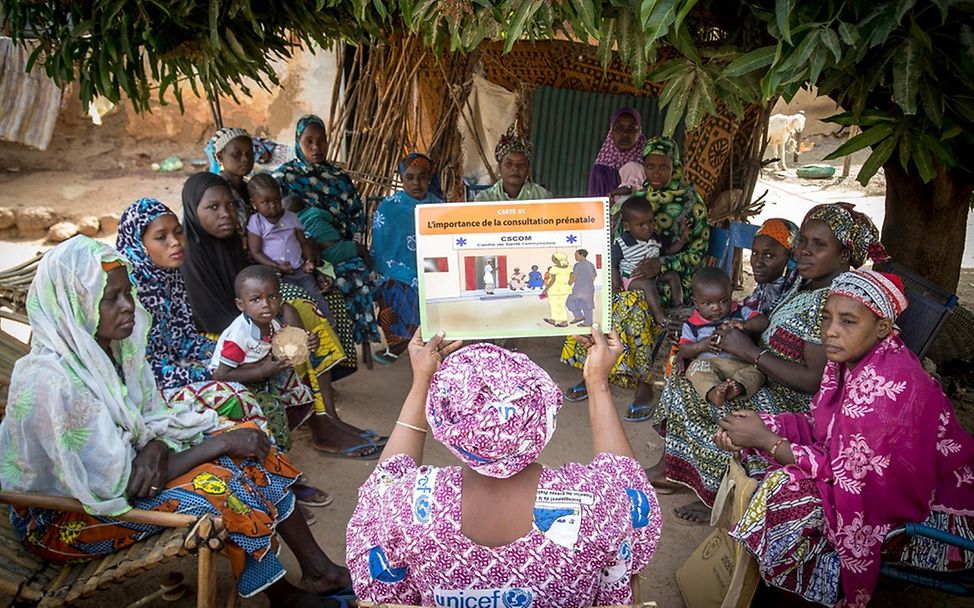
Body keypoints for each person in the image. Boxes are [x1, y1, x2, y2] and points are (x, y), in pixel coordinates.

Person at [0, 237, 352, 606]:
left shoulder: (108, 352)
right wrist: (215, 445)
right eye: (111, 298)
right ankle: (283, 597)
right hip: (64, 520)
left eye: (128, 294)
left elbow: (147, 422)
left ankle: (319, 571)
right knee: (222, 482)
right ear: (75, 304)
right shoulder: (52, 383)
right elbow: (122, 484)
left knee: (249, 440)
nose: (128, 308)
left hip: (120, 481)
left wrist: (156, 443)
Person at [346, 327, 662, 606]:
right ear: (546, 421)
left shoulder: (405, 505)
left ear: (445, 425)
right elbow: (626, 482)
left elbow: (385, 484)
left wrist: (421, 383)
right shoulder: (599, 503)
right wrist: (597, 382)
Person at [717, 270, 974, 607]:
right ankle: (771, 584)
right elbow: (824, 426)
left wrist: (768, 440)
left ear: (882, 328)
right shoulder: (852, 361)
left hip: (932, 514)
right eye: (827, 318)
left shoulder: (885, 388)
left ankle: (791, 594)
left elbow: (850, 479)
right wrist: (762, 425)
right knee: (755, 456)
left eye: (848, 321)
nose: (830, 331)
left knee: (787, 493)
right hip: (867, 479)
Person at [649, 202, 890, 524]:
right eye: (803, 241)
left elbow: (813, 381)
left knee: (702, 393)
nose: (804, 251)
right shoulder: (805, 284)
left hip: (791, 396)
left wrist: (750, 353)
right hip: (764, 371)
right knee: (688, 372)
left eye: (819, 245)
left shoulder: (831, 303)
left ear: (844, 256)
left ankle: (717, 493)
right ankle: (674, 469)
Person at [180, 171, 381, 459]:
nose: (225, 214)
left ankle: (328, 415)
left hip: (250, 317)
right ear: (192, 209)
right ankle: (319, 423)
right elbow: (214, 318)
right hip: (225, 333)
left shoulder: (233, 240)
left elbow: (254, 278)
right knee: (295, 322)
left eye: (230, 205)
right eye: (213, 207)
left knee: (304, 309)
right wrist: (275, 324)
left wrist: (283, 309)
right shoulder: (191, 254)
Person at [560, 138, 709, 413]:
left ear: (674, 166)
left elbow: (698, 251)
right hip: (632, 275)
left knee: (636, 307)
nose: (656, 173)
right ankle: (595, 369)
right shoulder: (635, 198)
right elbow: (615, 244)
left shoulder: (690, 200)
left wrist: (663, 265)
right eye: (650, 166)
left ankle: (642, 381)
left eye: (663, 166)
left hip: (672, 279)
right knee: (599, 301)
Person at [116, 198, 266, 426]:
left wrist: (224, 354)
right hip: (149, 389)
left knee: (257, 367)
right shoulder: (129, 292)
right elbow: (142, 370)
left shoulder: (169, 276)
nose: (175, 242)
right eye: (160, 237)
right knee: (236, 395)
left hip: (178, 366)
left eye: (178, 232)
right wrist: (212, 372)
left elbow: (185, 339)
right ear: (138, 244)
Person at [274, 114, 380, 348]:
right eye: (308, 141)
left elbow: (356, 216)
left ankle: (349, 343)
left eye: (321, 141)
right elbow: (275, 221)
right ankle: (326, 344)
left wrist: (345, 243)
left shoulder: (339, 177)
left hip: (338, 247)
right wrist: (308, 244)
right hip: (300, 254)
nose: (316, 147)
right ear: (297, 142)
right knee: (320, 280)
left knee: (355, 274)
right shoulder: (284, 177)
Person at [210, 265, 325, 433]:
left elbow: (291, 345)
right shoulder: (239, 336)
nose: (266, 305)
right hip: (233, 379)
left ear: (280, 298)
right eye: (256, 299)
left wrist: (309, 342)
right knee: (272, 409)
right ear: (241, 305)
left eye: (272, 297)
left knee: (296, 384)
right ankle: (274, 444)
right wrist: (261, 371)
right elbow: (220, 375)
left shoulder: (272, 322)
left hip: (259, 369)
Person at [371, 152, 442, 365]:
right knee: (392, 286)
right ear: (401, 179)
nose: (416, 182)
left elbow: (444, 247)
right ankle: (398, 341)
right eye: (409, 177)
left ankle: (426, 342)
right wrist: (405, 272)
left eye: (422, 177)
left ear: (429, 178)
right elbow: (381, 250)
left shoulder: (440, 207)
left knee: (435, 283)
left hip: (433, 267)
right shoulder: (389, 207)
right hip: (396, 268)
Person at [246, 174, 333, 322]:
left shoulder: (291, 217)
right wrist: (276, 266)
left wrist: (308, 260)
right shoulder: (256, 222)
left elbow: (303, 242)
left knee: (316, 298)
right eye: (266, 202)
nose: (273, 206)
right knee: (296, 304)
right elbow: (256, 252)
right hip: (278, 276)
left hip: (301, 270)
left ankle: (331, 328)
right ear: (254, 203)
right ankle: (303, 335)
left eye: (276, 200)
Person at [678, 267, 767, 406]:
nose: (716, 308)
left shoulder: (740, 312)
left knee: (758, 371)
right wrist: (701, 345)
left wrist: (745, 325)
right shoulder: (692, 324)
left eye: (723, 301)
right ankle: (713, 391)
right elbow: (683, 349)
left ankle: (738, 387)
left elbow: (763, 321)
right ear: (696, 302)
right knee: (695, 368)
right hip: (709, 365)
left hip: (740, 365)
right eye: (707, 303)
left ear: (731, 294)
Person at [612, 197, 687, 325]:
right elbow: (611, 263)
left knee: (673, 275)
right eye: (641, 225)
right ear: (627, 226)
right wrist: (615, 280)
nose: (648, 227)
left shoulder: (655, 238)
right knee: (648, 285)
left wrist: (682, 240)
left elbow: (668, 251)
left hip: (653, 275)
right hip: (631, 280)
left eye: (651, 221)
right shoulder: (622, 243)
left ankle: (679, 306)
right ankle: (660, 317)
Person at [742, 218, 802, 316]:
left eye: (768, 255)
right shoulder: (762, 291)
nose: (757, 263)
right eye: (754, 253)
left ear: (788, 257)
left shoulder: (795, 304)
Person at [475, 128, 552, 201]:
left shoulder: (542, 196)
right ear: (499, 168)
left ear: (528, 170)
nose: (515, 168)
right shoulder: (484, 199)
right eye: (508, 163)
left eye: (521, 164)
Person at [588, 107, 646, 198]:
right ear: (611, 131)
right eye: (619, 128)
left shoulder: (650, 164)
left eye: (631, 128)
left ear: (639, 131)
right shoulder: (600, 170)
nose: (625, 133)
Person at [540, 253, 573, 327]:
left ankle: (564, 321)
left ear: (556, 259)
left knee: (555, 305)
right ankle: (553, 319)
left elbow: (552, 281)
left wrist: (545, 289)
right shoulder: (569, 267)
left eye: (553, 258)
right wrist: (567, 285)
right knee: (560, 304)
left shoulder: (554, 268)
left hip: (554, 289)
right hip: (565, 289)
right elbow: (572, 278)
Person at [566, 249, 597, 326]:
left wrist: (567, 285)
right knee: (587, 304)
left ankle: (580, 317)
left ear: (582, 255)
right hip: (589, 288)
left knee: (570, 301)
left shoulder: (578, 265)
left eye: (576, 255)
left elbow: (574, 277)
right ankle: (586, 320)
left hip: (579, 288)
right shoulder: (591, 264)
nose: (575, 257)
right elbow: (593, 277)